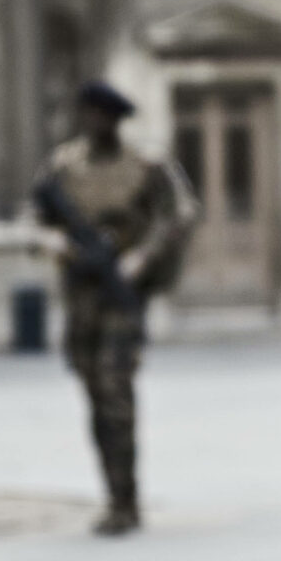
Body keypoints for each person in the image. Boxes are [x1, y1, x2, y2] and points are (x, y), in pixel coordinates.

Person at [32, 81, 196, 535]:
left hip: (122, 292)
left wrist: (142, 256)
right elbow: (35, 218)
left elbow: (180, 212)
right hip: (80, 292)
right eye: (88, 115)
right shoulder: (63, 166)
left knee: (115, 391)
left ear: (116, 120)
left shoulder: (145, 164)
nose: (94, 123)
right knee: (94, 393)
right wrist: (55, 242)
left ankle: (125, 501)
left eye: (103, 116)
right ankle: (112, 492)